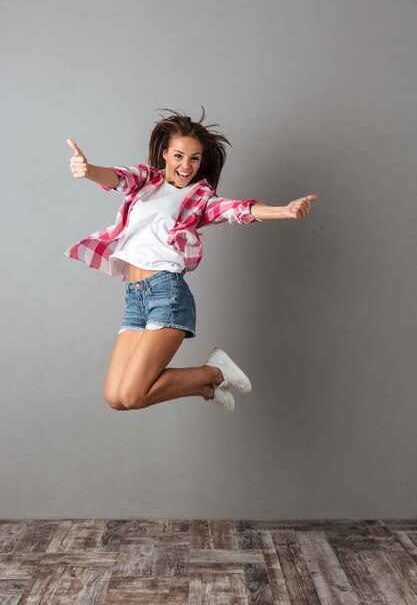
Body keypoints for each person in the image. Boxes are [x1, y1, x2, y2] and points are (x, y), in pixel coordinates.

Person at [65, 107, 318, 412]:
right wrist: (88, 169)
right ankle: (207, 389)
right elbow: (117, 177)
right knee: (116, 398)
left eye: (194, 159)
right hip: (135, 296)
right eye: (179, 156)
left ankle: (216, 373)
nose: (186, 166)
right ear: (165, 154)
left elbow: (237, 210)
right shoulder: (145, 181)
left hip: (166, 293)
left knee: (132, 395)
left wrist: (284, 211)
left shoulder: (200, 199)